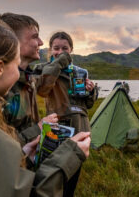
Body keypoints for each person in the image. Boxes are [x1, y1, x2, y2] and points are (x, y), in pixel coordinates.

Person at [0, 18, 91, 197]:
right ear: (0, 68)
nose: (21, 72)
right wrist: (67, 158)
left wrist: (22, 155)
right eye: (16, 62)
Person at [37, 31, 97, 197]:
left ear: (71, 49)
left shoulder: (80, 72)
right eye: (56, 48)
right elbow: (42, 90)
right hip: (59, 129)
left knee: (72, 178)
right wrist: (58, 64)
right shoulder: (46, 70)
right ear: (50, 49)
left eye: (65, 48)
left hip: (81, 127)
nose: (60, 51)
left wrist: (90, 91)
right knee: (55, 176)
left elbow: (88, 104)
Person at [0, 13, 57, 145]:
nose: (41, 42)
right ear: (13, 41)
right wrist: (38, 129)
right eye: (35, 37)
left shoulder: (27, 79)